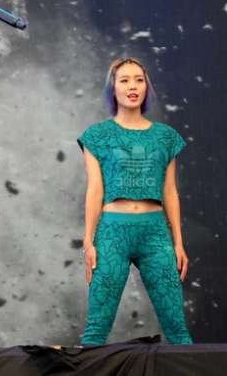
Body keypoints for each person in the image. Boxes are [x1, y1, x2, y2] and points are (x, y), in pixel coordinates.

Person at [79, 57, 192, 345]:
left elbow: (170, 192)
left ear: (146, 87)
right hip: (112, 233)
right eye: (124, 80)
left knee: (178, 330)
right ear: (113, 88)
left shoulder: (166, 137)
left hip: (155, 233)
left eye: (139, 80)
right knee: (95, 330)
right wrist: (89, 241)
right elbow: (94, 190)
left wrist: (178, 242)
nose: (133, 86)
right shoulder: (97, 136)